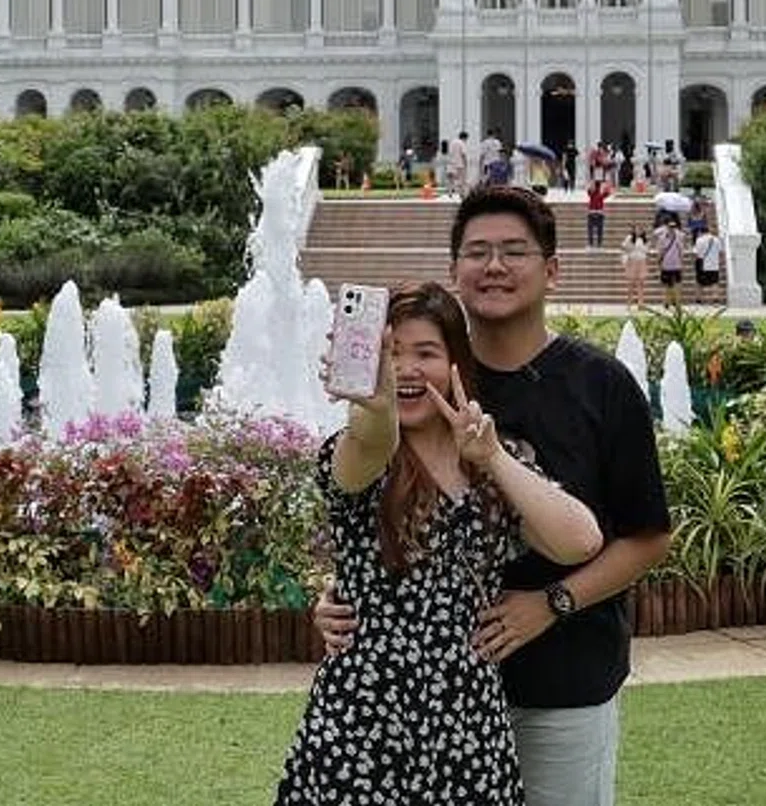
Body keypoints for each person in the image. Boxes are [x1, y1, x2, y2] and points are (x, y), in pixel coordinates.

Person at [316, 188, 672, 806]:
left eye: (514, 251)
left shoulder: (600, 385)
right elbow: (364, 469)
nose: (495, 266)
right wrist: (342, 591)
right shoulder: (422, 397)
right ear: (455, 270)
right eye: (477, 252)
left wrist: (552, 601)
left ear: (552, 269)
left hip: (562, 674)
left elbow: (642, 536)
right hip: (406, 706)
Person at [276, 282, 601, 805]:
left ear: (456, 360)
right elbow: (372, 438)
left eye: (424, 352)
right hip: (364, 717)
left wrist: (492, 457)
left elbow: (581, 541)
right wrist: (375, 402)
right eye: (390, 352)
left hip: (469, 719)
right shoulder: (356, 457)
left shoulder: (497, 458)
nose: (404, 368)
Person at [651, 219, 686, 307]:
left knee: (677, 284)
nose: (672, 228)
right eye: (670, 226)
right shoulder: (662, 238)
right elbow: (660, 251)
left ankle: (677, 302)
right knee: (666, 284)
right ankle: (666, 301)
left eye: (674, 226)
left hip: (676, 264)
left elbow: (681, 251)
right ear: (667, 227)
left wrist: (682, 262)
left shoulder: (679, 237)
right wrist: (658, 262)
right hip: (666, 264)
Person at [619, 226, 650, 311]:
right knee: (631, 284)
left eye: (640, 230)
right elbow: (623, 247)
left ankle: (641, 304)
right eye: (637, 229)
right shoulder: (629, 238)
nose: (638, 231)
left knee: (641, 284)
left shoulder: (645, 240)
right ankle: (629, 304)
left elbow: (646, 250)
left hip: (642, 261)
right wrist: (631, 247)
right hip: (632, 261)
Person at [693, 226, 723, 291]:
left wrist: (695, 261)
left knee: (699, 281)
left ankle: (699, 298)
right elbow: (720, 252)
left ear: (701, 232)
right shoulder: (716, 239)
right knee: (714, 281)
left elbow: (696, 253)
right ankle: (715, 297)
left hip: (702, 262)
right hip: (714, 262)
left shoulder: (699, 240)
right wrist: (720, 261)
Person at [584, 177, 611, 249]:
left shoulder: (598, 195)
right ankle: (594, 244)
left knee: (597, 230)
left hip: (597, 213)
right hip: (595, 213)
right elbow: (589, 190)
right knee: (595, 230)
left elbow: (608, 193)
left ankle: (596, 244)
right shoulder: (594, 194)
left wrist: (607, 186)